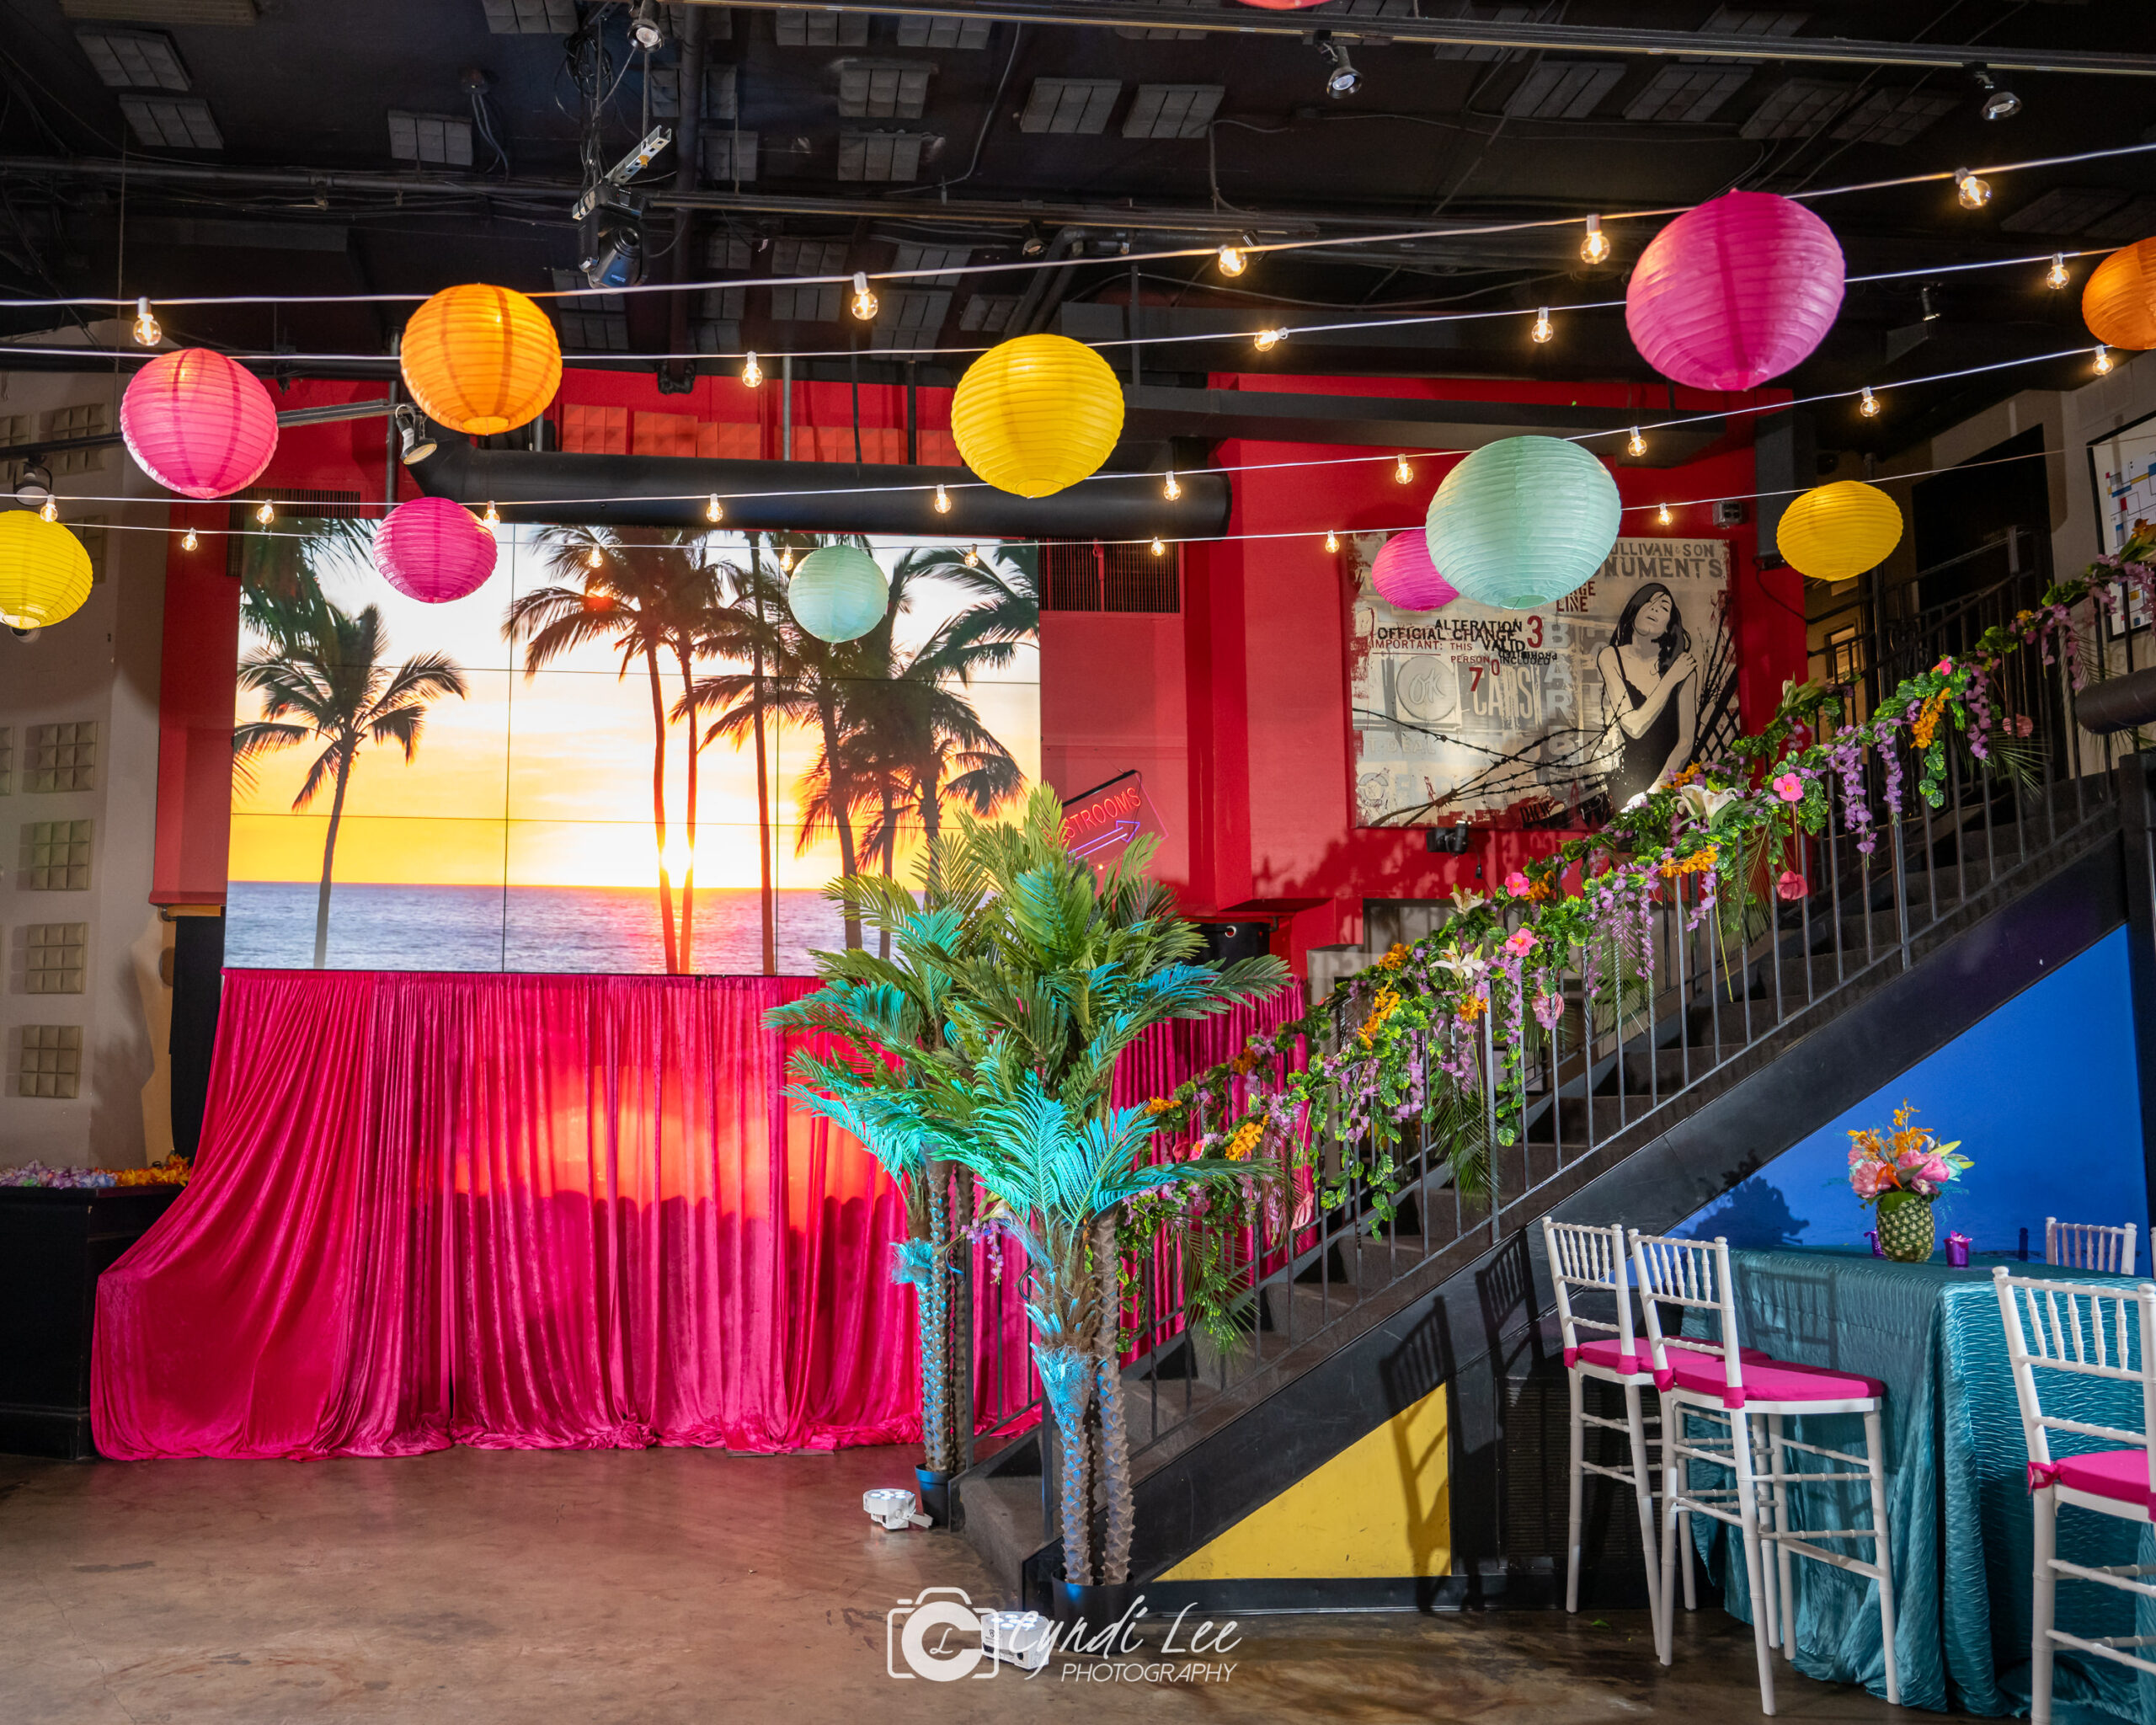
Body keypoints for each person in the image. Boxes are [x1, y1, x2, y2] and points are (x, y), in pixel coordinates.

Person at [1597, 581, 1697, 805]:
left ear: (1669, 624)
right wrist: (1670, 679)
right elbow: (1634, 726)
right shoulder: (1610, 657)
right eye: (1649, 602)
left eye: (1664, 607)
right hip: (1629, 778)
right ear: (1635, 609)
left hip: (1672, 779)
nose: (1654, 608)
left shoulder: (1684, 667)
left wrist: (1654, 792)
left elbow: (1685, 742)